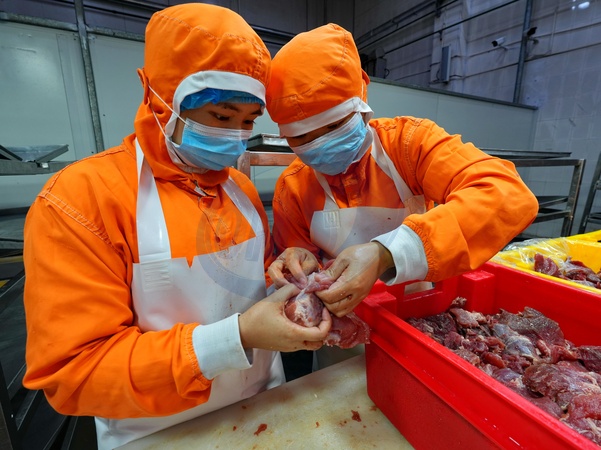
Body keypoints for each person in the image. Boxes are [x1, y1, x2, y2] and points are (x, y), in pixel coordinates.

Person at [21, 5, 330, 449]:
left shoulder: (239, 189)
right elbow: (75, 373)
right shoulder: (83, 199)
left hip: (263, 411)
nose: (236, 136)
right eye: (221, 117)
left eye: (247, 122)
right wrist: (235, 338)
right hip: (157, 433)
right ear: (160, 97)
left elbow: (244, 281)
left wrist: (282, 271)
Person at [265, 23, 539, 371]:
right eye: (303, 138)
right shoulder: (293, 187)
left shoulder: (410, 146)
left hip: (418, 326)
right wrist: (298, 265)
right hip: (339, 343)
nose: (320, 144)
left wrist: (386, 253)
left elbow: (506, 195)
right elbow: (298, 274)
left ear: (361, 101)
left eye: (334, 126)